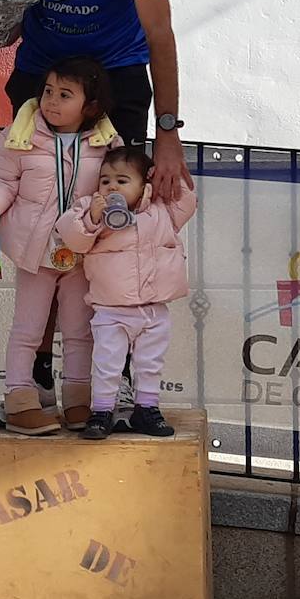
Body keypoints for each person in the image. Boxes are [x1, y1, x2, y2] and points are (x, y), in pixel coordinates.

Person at [0, 0, 193, 395]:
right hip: (43, 80)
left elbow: (160, 34)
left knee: (114, 222)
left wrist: (167, 136)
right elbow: (5, 21)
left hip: (118, 78)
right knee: (41, 216)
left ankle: (117, 378)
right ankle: (36, 377)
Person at [0, 57, 120, 434]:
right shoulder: (20, 135)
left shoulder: (107, 143)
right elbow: (2, 180)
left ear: (91, 106)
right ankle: (20, 401)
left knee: (80, 330)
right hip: (36, 253)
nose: (52, 101)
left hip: (82, 253)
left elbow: (118, 184)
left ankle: (79, 402)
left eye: (65, 95)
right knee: (28, 330)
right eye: (48, 91)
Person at [57, 147, 197, 440]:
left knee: (150, 363)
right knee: (107, 364)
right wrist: (92, 218)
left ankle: (146, 408)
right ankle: (101, 412)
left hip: (153, 308)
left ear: (145, 185)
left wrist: (161, 174)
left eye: (122, 181)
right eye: (105, 180)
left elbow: (187, 200)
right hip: (110, 309)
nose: (112, 187)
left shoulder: (162, 210)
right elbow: (73, 239)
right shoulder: (91, 208)